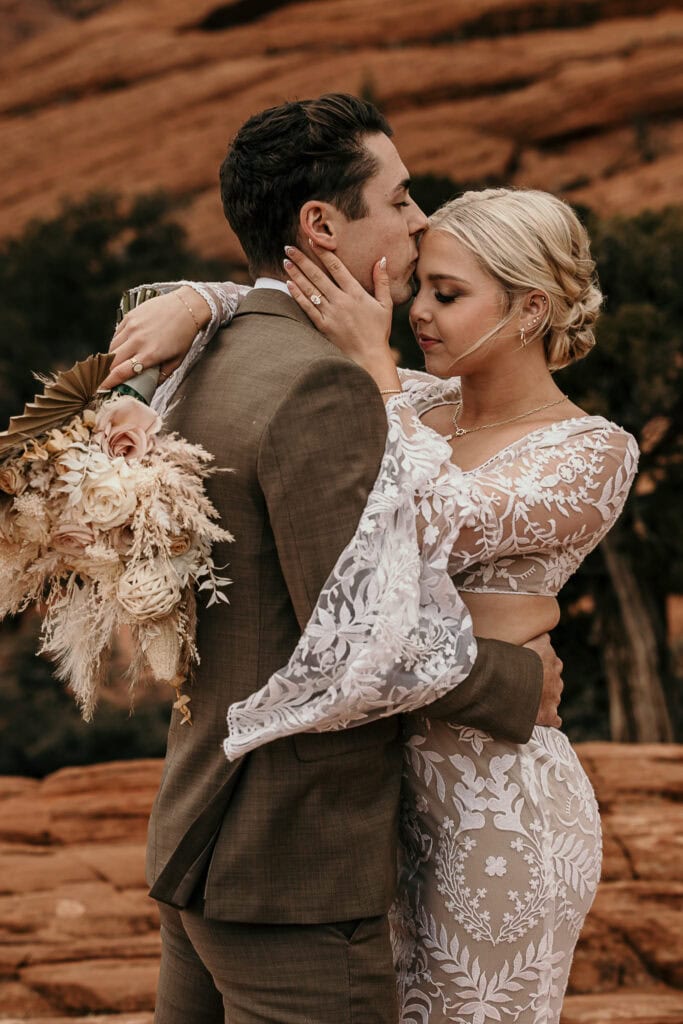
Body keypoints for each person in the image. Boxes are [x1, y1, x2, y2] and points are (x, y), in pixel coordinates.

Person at [105, 96, 566, 1024]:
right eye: (397, 200)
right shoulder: (321, 383)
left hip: (201, 835)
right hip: (292, 868)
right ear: (321, 225)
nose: (418, 219)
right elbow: (368, 641)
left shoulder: (210, 351)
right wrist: (521, 684)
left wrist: (201, 295)